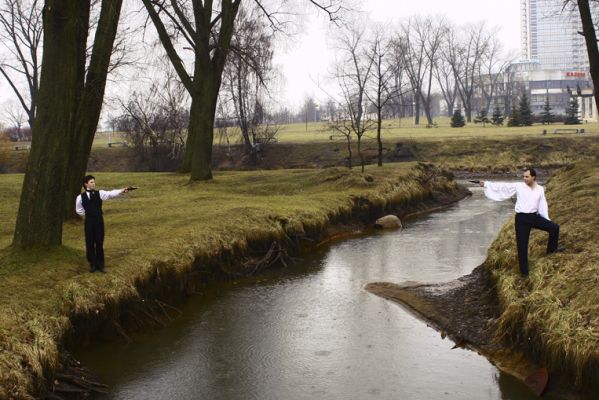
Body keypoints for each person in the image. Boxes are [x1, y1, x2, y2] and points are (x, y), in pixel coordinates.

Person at [479, 168, 561, 277]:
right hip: (521, 219)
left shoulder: (540, 189)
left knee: (554, 227)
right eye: (523, 176)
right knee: (522, 246)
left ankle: (551, 250)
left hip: (534, 217)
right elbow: (502, 186)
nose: (524, 179)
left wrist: (546, 218)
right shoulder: (519, 186)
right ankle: (524, 273)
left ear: (533, 177)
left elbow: (542, 204)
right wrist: (487, 184)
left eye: (527, 177)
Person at [75, 175, 129, 273]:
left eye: (94, 182)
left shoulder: (100, 193)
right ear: (86, 184)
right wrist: (88, 214)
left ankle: (100, 265)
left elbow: (110, 194)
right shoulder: (80, 197)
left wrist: (121, 191)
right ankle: (92, 264)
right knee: (90, 242)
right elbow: (78, 210)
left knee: (99, 242)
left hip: (99, 221)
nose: (94, 183)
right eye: (91, 182)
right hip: (89, 222)